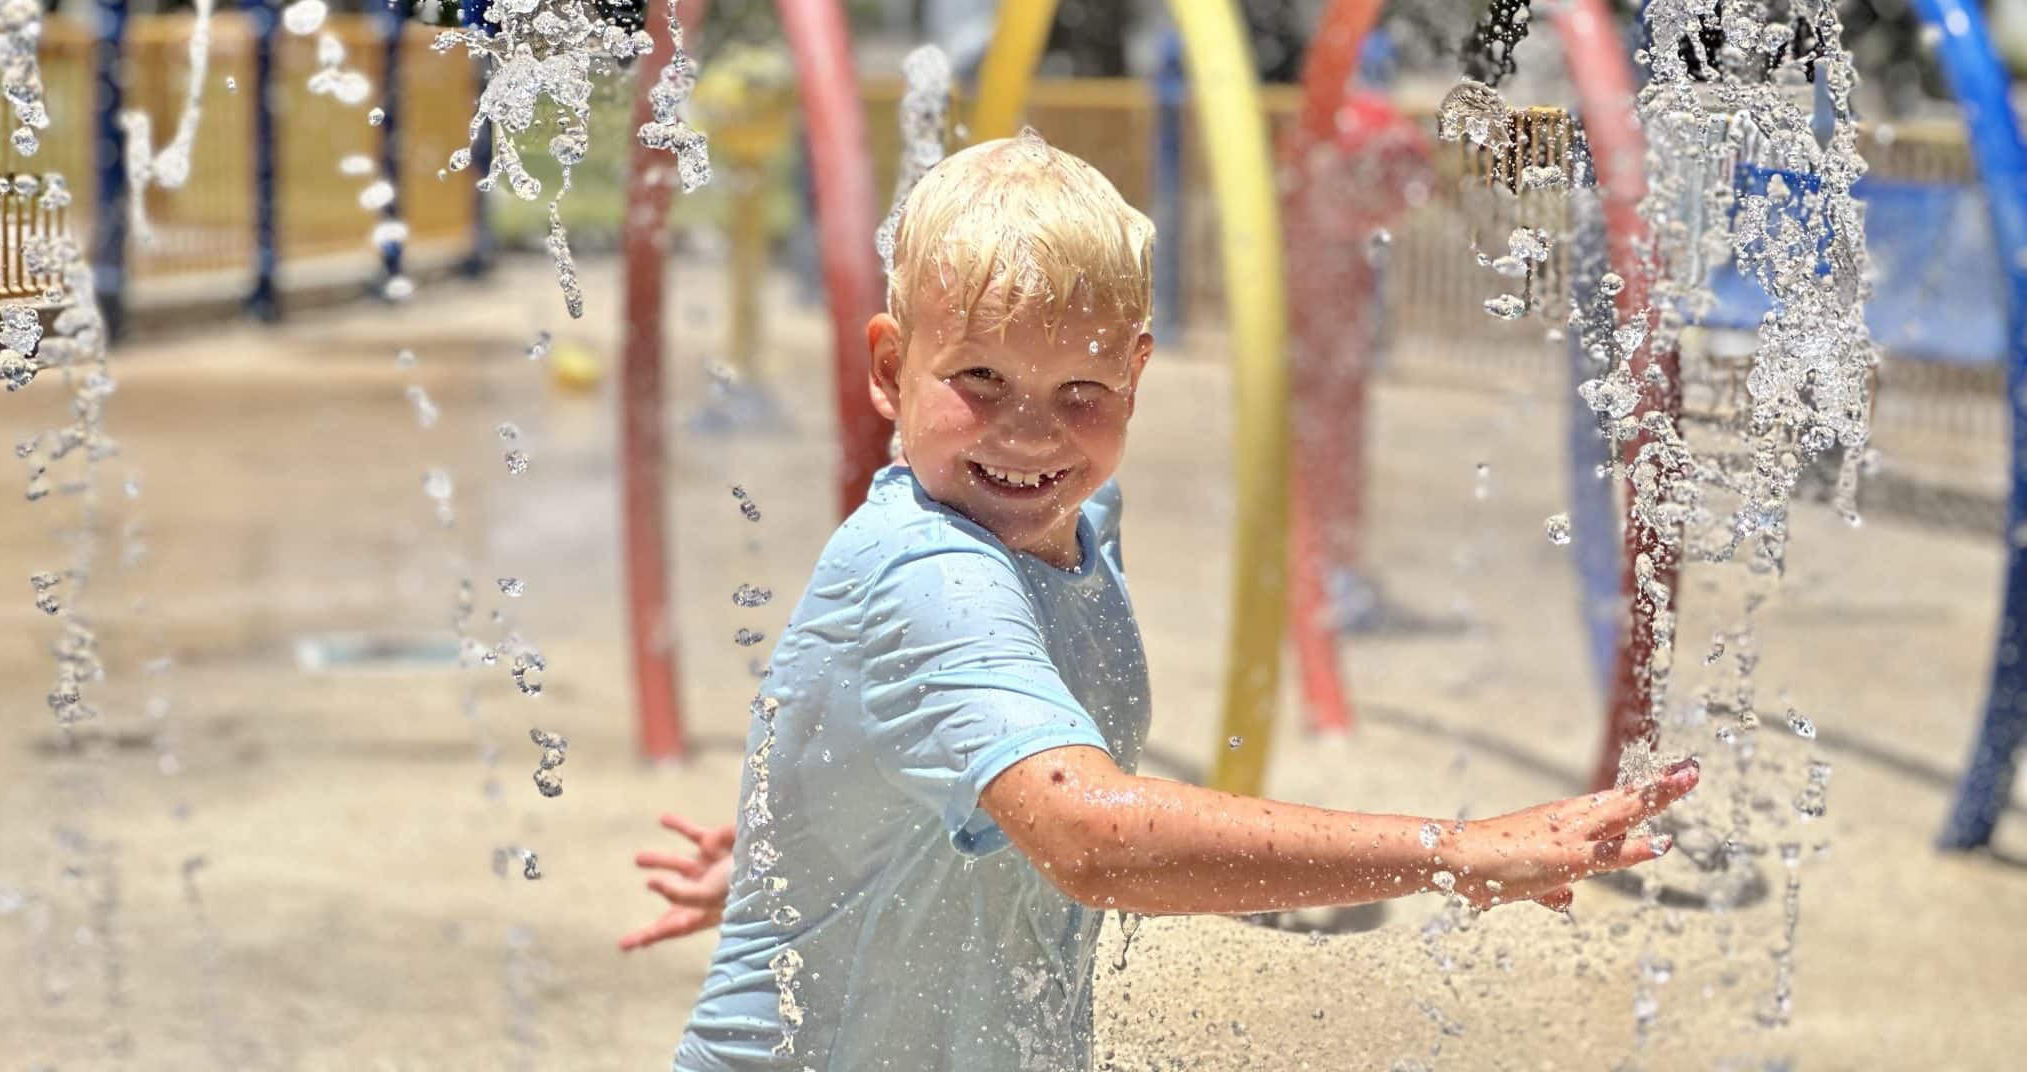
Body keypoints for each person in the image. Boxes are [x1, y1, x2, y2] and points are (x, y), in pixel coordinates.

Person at [622, 133, 1696, 1071]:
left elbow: (925, 731)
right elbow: (1088, 838)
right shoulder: (927, 569)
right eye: (979, 380)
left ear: (1135, 376)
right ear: (888, 366)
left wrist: (823, 835)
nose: (1030, 432)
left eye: (1079, 392)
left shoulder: (1082, 522)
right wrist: (1451, 852)